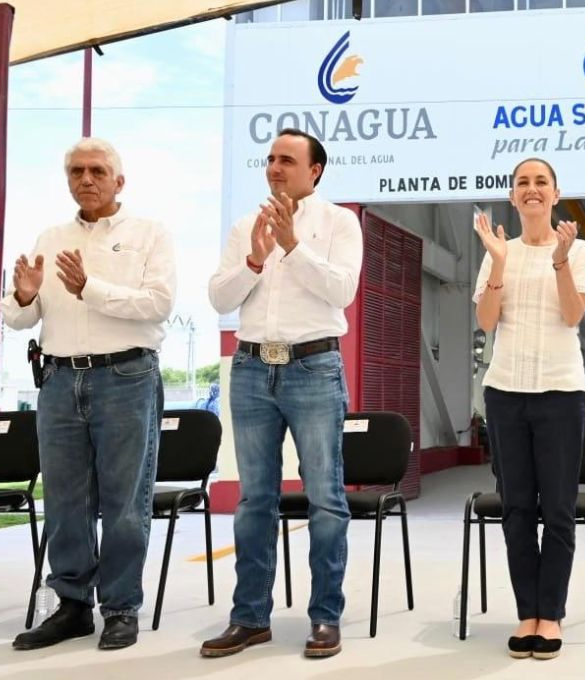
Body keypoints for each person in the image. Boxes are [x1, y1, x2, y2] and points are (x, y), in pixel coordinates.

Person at [2, 138, 175, 651]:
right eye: (76, 171)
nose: (86, 179)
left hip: (125, 377)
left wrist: (90, 288)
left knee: (124, 501)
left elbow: (159, 304)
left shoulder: (150, 234)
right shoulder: (50, 236)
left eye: (98, 170)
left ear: (119, 181)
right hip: (57, 380)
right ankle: (73, 604)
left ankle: (120, 606)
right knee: (64, 499)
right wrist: (26, 296)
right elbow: (17, 318)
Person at [203, 128, 362, 659]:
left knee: (325, 498)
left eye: (287, 160)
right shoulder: (246, 224)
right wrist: (253, 260)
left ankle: (325, 618)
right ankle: (249, 618)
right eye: (270, 158)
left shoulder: (340, 222)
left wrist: (292, 246)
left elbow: (341, 291)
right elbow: (218, 297)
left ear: (314, 170)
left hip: (313, 367)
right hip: (251, 370)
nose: (274, 167)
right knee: (254, 501)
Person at [472, 157, 585, 660]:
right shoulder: (498, 252)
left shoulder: (581, 250)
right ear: (512, 195)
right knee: (518, 508)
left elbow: (571, 316)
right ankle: (528, 612)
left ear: (555, 192)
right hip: (505, 393)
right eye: (523, 182)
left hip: (562, 394)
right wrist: (499, 262)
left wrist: (561, 260)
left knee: (559, 511)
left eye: (540, 182)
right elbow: (486, 321)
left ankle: (553, 614)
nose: (532, 189)